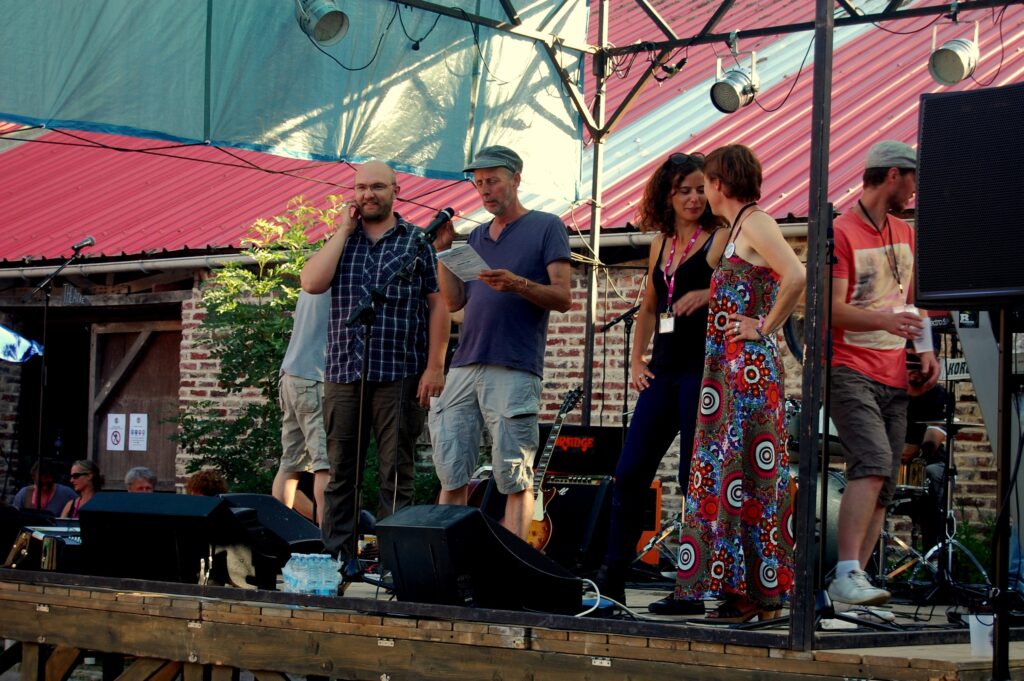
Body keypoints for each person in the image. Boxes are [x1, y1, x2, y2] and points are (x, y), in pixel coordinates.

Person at [675, 144, 806, 622]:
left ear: (719, 183)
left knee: (746, 473)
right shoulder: (735, 228)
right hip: (727, 370)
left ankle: (756, 591)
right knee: (731, 471)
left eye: (706, 182)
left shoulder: (756, 222)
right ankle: (747, 589)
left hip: (747, 370)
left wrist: (763, 326)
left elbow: (796, 274)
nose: (702, 191)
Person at [592, 151, 728, 611]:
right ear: (666, 196)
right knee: (630, 472)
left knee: (693, 478)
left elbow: (745, 285)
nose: (693, 198)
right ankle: (611, 579)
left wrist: (708, 292)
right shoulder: (660, 243)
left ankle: (693, 588)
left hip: (702, 371)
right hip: (663, 371)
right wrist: (636, 359)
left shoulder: (719, 237)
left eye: (699, 189)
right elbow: (650, 306)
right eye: (683, 190)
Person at [301, 160, 449, 564]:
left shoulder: (416, 241)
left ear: (395, 191)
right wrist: (341, 231)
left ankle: (394, 564)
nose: (368, 194)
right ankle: (337, 561)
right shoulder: (341, 241)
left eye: (378, 186)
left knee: (396, 474)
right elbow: (311, 282)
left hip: (400, 372)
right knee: (340, 474)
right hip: (344, 371)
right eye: (361, 187)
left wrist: (435, 367)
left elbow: (438, 305)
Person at [429, 145, 572, 540]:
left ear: (516, 179)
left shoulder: (546, 226)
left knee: (515, 476)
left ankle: (514, 564)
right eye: (478, 184)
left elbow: (563, 298)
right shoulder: (476, 235)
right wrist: (443, 252)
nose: (485, 190)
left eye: (492, 181)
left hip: (513, 365)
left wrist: (517, 284)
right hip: (465, 364)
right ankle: (449, 562)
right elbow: (455, 302)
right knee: (452, 471)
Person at [826, 140, 940, 607]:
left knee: (886, 484)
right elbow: (831, 310)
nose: (914, 190)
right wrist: (884, 322)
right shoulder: (841, 231)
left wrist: (925, 350)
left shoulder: (904, 233)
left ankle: (854, 583)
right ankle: (845, 572)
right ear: (893, 174)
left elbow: (912, 301)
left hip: (895, 374)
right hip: (849, 367)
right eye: (912, 179)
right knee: (872, 463)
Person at [273, 290, 330, 526]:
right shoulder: (341, 277)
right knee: (326, 465)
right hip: (315, 377)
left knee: (290, 463)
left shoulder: (312, 281)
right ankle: (330, 539)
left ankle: (279, 533)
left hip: (290, 375)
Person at [12, 460, 77, 516]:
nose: (45, 488)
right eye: (41, 484)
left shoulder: (66, 494)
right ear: (33, 477)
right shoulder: (24, 495)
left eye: (49, 484)